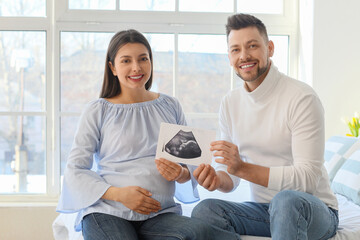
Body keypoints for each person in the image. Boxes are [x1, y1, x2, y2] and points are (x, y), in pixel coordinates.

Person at [57, 29, 241, 240]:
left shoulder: (170, 106)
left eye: (143, 59)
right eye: (126, 60)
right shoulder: (99, 110)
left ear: (151, 62)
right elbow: (75, 170)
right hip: (108, 212)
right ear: (112, 68)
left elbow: (189, 166)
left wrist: (180, 174)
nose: (136, 67)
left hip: (160, 214)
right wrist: (120, 194)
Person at [191, 14, 339, 239]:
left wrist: (242, 168)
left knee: (286, 200)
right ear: (229, 57)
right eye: (235, 50)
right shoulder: (230, 103)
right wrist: (216, 179)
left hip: (314, 210)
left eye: (252, 46)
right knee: (205, 211)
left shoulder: (301, 97)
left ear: (269, 48)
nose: (244, 56)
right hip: (264, 210)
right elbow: (230, 177)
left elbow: (307, 180)